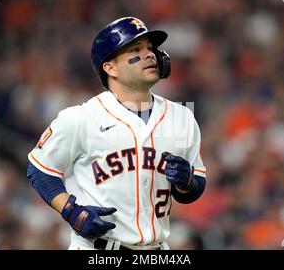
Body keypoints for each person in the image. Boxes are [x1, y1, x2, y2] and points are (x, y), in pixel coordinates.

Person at [27, 17, 206, 250]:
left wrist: (187, 183)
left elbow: (195, 186)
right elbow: (39, 169)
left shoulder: (181, 117)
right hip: (98, 248)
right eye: (135, 50)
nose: (149, 55)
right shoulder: (81, 117)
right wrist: (71, 211)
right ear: (110, 68)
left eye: (150, 49)